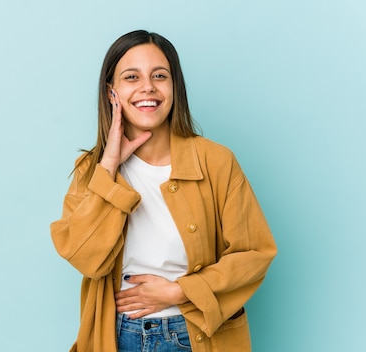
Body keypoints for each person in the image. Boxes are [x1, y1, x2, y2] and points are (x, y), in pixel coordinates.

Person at [50, 30, 277, 352]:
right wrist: (110, 166)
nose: (148, 87)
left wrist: (181, 291)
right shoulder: (93, 169)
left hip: (194, 333)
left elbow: (255, 252)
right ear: (111, 92)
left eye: (160, 76)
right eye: (132, 77)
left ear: (175, 87)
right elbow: (87, 259)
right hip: (117, 336)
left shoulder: (216, 160)